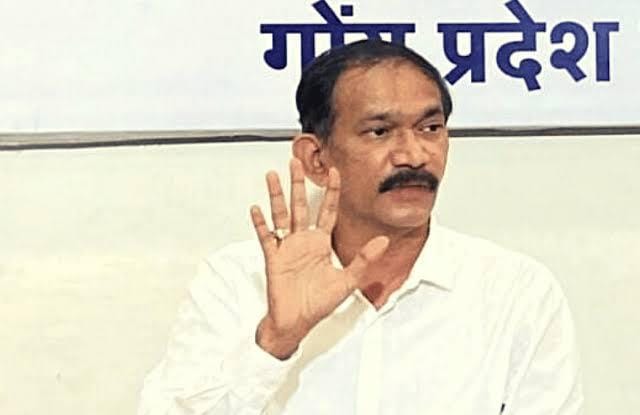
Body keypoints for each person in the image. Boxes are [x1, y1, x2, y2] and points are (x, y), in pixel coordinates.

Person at [138, 39, 583, 414]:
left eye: (430, 127)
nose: (414, 155)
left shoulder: (515, 292)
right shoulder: (239, 282)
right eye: (379, 132)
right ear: (316, 159)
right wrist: (274, 341)